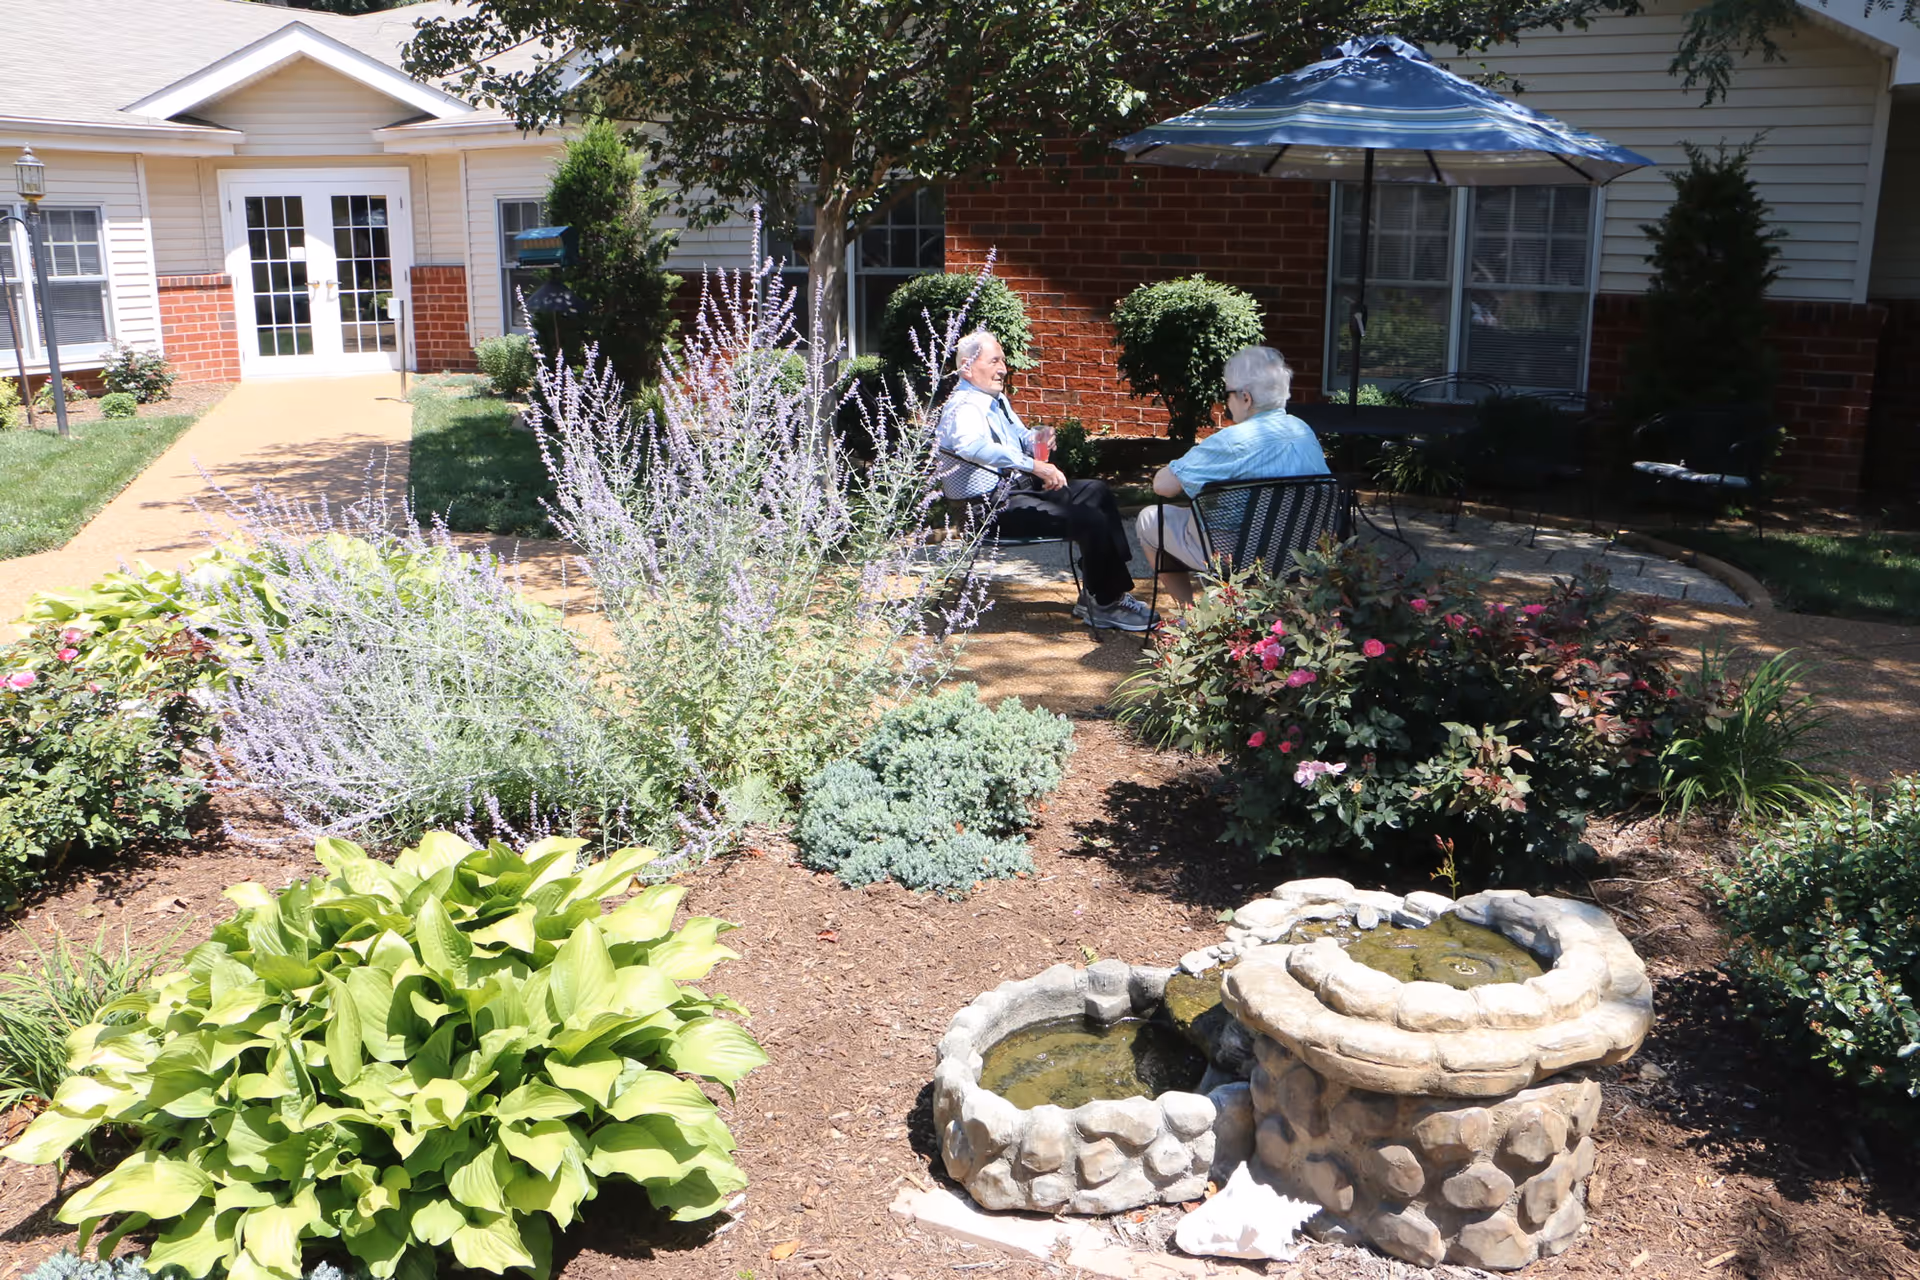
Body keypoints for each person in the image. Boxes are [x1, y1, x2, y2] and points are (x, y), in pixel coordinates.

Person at [935, 330, 1156, 632]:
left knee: (1096, 491)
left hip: (1016, 494)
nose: (1003, 369)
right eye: (995, 361)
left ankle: (1097, 592)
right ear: (967, 368)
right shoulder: (964, 406)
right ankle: (1106, 603)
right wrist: (1035, 466)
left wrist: (1037, 436)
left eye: (1004, 361)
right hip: (987, 510)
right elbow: (971, 447)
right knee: (1089, 519)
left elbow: (1018, 440)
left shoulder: (994, 400)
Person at [1136, 346, 1330, 606]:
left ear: (1246, 398)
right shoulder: (1303, 430)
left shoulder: (1230, 441)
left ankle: (1189, 617)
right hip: (1302, 551)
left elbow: (1163, 486)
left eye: (1227, 394)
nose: (1226, 402)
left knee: (1151, 519)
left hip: (1241, 554)